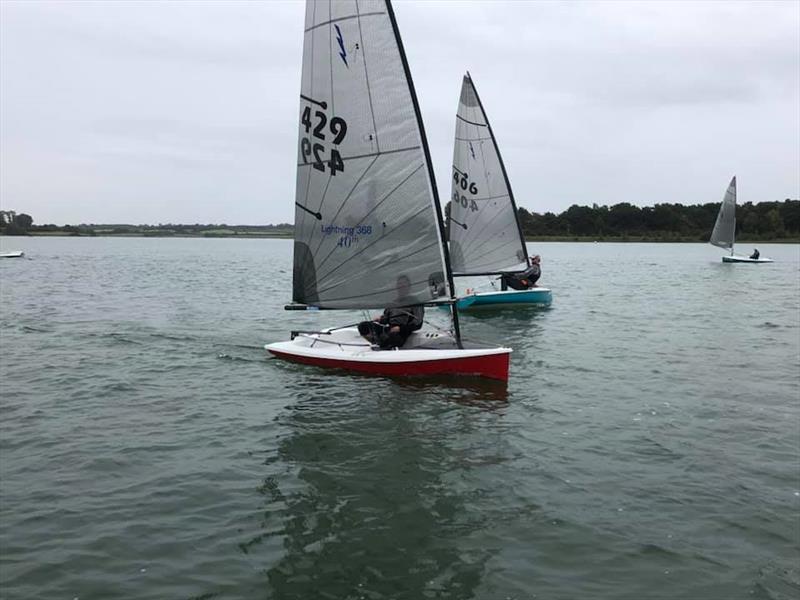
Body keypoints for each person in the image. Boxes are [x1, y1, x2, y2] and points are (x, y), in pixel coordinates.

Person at [357, 275, 424, 349]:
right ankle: (375, 342)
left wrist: (400, 328)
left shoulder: (415, 302)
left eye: (404, 285)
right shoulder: (393, 303)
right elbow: (386, 319)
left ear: (409, 287)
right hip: (389, 329)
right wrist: (380, 319)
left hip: (402, 333)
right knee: (363, 326)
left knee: (391, 335)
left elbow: (418, 324)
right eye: (399, 284)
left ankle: (382, 347)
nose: (401, 287)